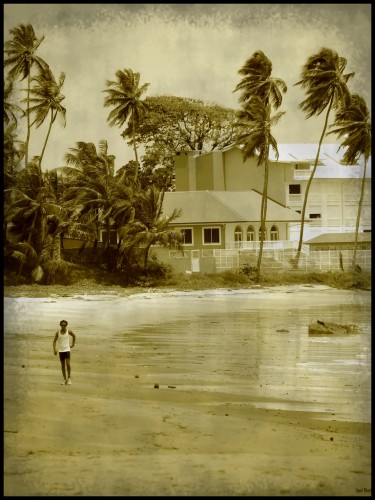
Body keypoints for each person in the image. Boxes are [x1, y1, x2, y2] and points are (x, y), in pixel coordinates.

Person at [53, 320, 76, 385]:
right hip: (61, 351)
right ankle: (64, 379)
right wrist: (54, 349)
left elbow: (74, 336)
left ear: (66, 325)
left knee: (68, 364)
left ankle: (69, 378)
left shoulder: (69, 331)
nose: (63, 326)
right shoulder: (58, 333)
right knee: (63, 365)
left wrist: (73, 344)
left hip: (67, 350)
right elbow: (54, 341)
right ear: (60, 325)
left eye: (64, 325)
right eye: (62, 325)